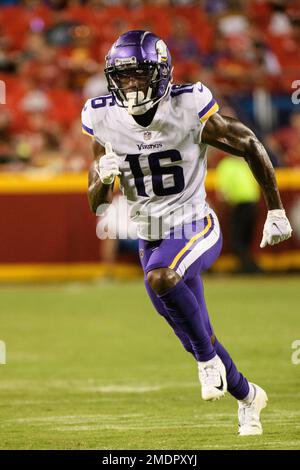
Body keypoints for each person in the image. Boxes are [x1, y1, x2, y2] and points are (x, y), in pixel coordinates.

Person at [82, 30, 292, 436]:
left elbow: (249, 143)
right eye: (123, 76)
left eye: (140, 75)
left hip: (195, 224)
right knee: (194, 330)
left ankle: (207, 362)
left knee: (163, 280)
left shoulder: (188, 104)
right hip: (151, 235)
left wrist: (277, 210)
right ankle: (249, 396)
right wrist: (100, 179)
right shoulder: (101, 116)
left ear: (160, 74)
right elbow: (96, 204)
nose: (131, 84)